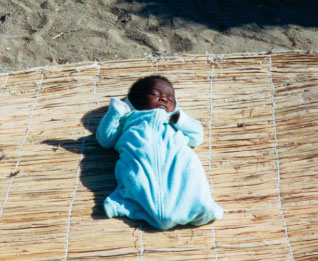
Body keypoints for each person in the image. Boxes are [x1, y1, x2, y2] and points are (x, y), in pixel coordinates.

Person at [96, 75, 223, 230]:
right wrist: (116, 112)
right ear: (137, 100)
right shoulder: (129, 119)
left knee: (189, 177)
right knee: (136, 180)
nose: (164, 99)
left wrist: (180, 120)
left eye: (170, 98)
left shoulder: (173, 119)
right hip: (140, 160)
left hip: (176, 158)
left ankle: (200, 206)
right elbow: (105, 139)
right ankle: (130, 203)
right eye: (156, 94)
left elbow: (197, 136)